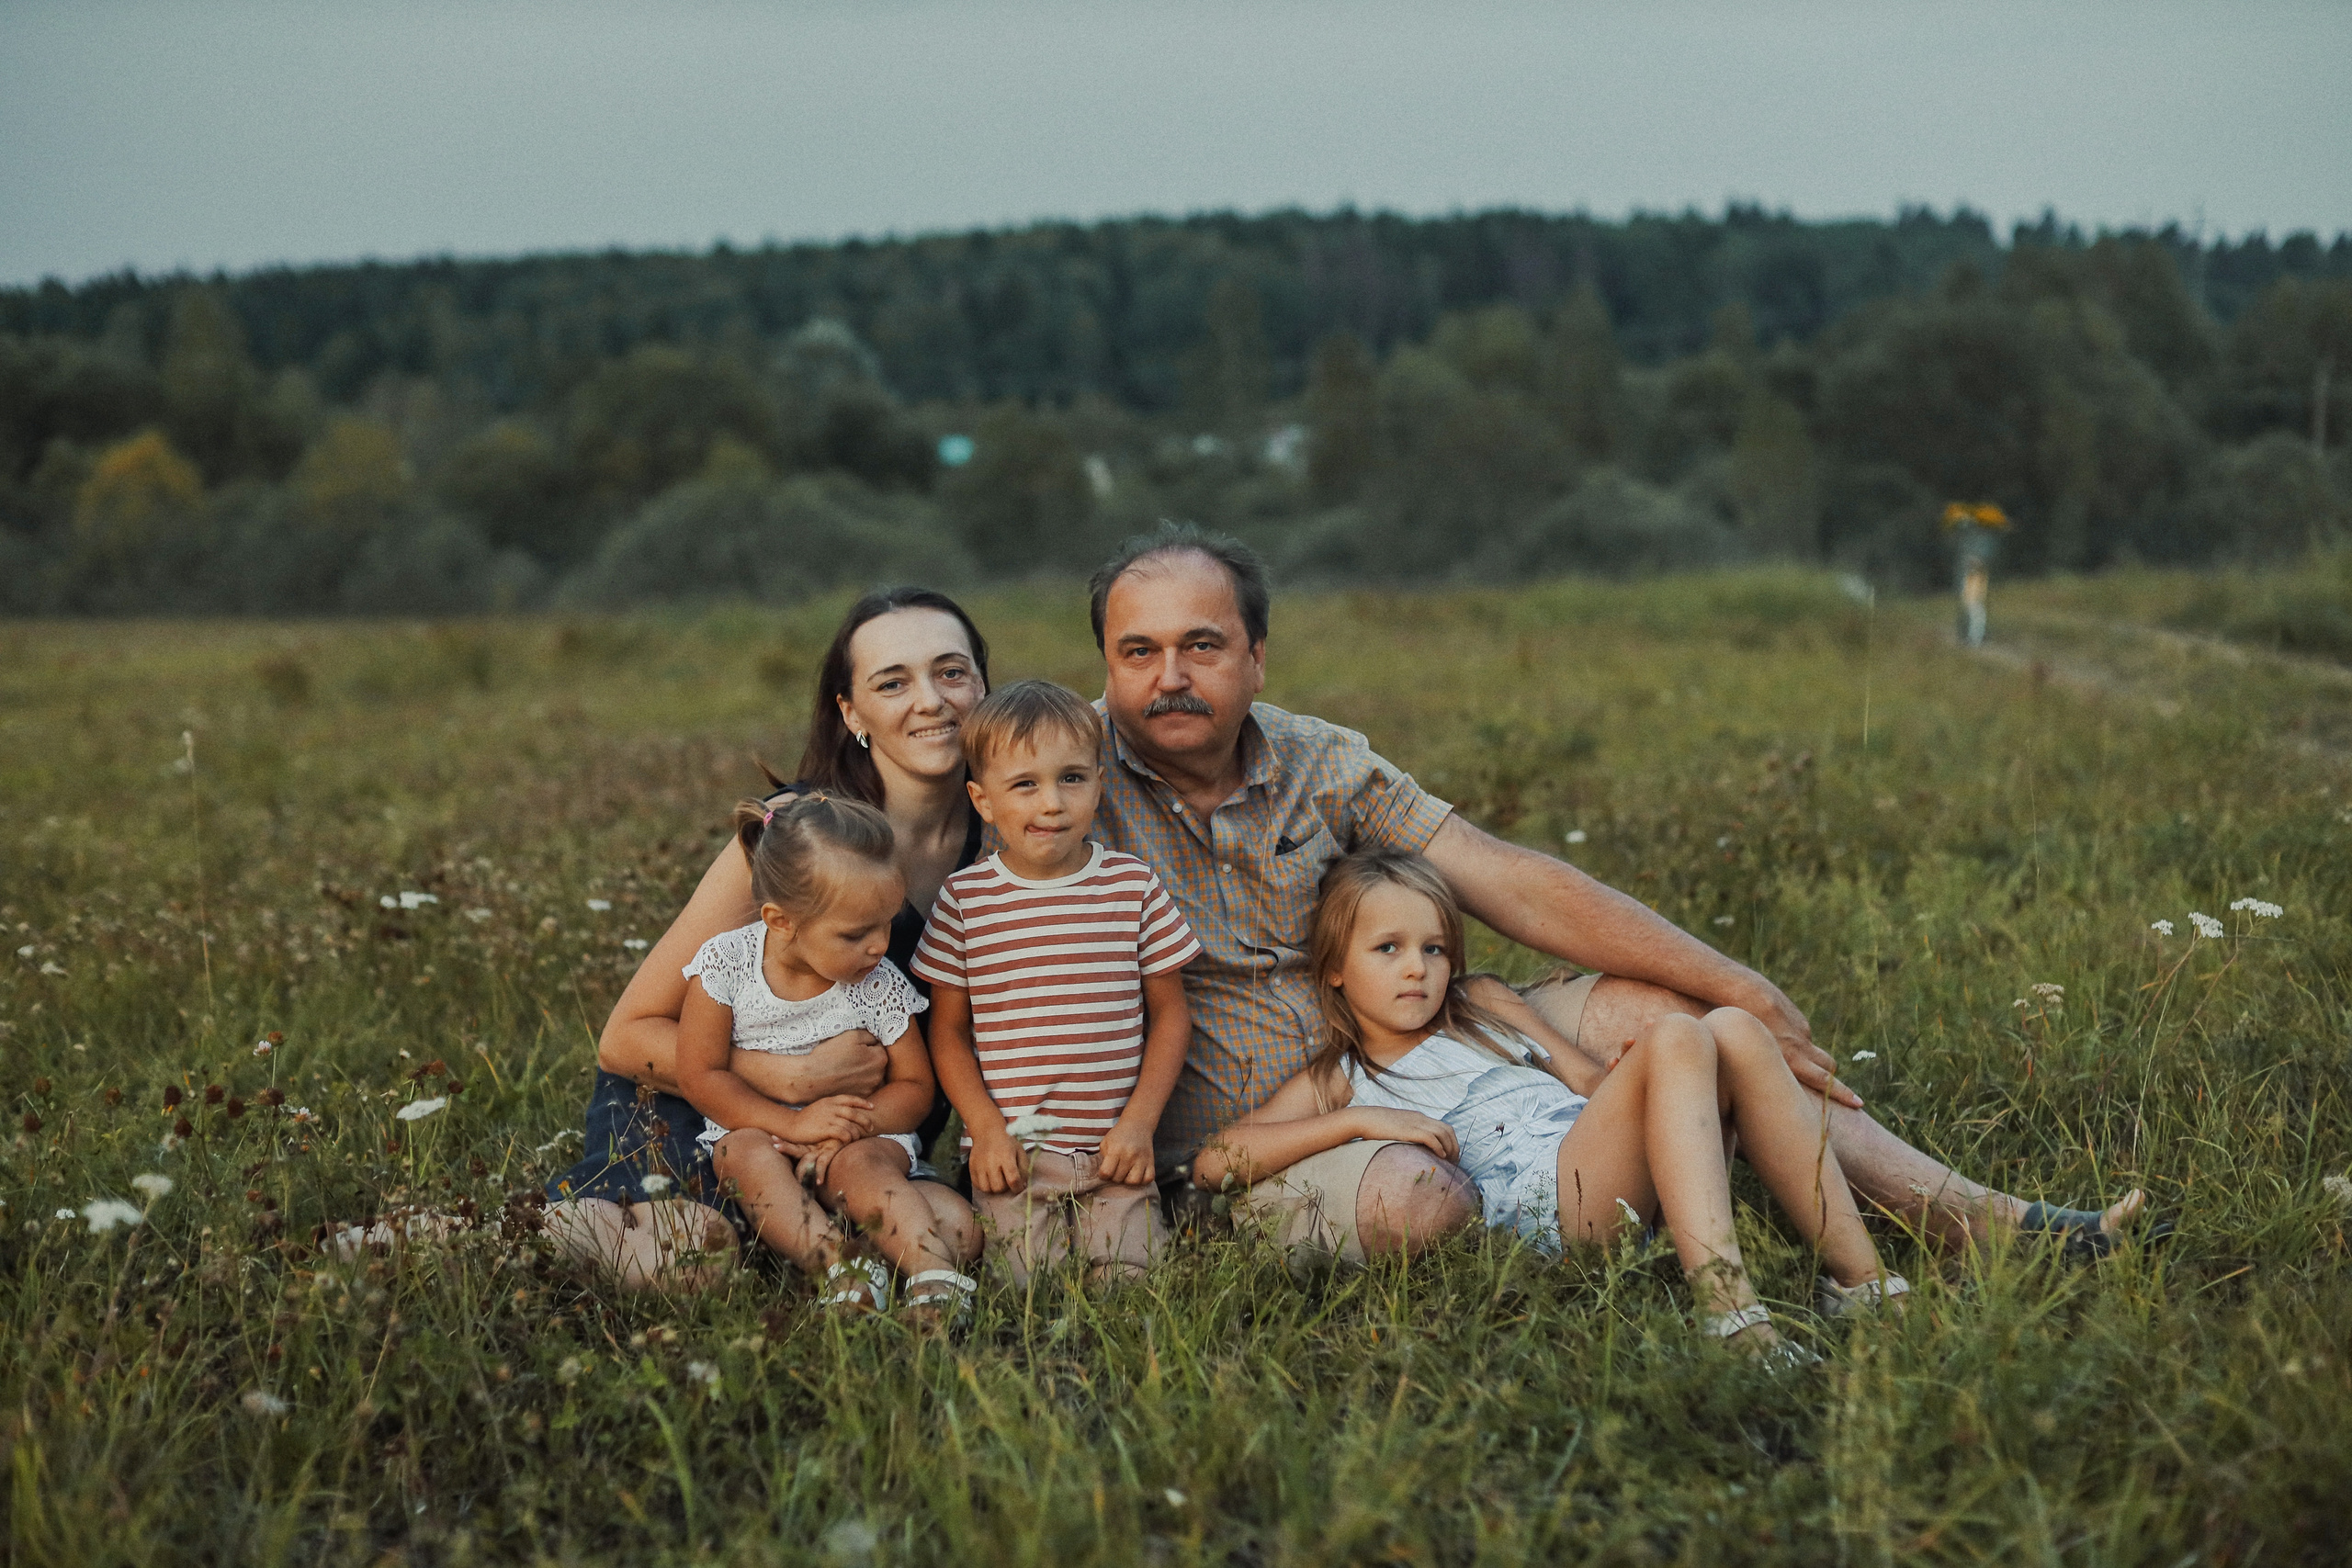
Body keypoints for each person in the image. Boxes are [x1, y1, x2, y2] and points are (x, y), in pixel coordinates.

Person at [1083, 521, 2146, 1269]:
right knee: (1416, 1204)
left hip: (1412, 1038)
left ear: (1256, 660)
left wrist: (1736, 982)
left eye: (1201, 645)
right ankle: (1627, 1206)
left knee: (1667, 1012)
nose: (1171, 676)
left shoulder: (1320, 760)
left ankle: (1972, 1221)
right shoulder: (1059, 783)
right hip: (1265, 1134)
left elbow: (1508, 879)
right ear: (1106, 665)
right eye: (1140, 652)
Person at [1195, 851, 1905, 1356]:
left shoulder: (1482, 1004)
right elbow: (1214, 1161)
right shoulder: (1343, 1076)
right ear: (1335, 970)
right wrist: (1358, 1120)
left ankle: (1863, 1282)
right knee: (1681, 1034)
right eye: (1389, 948)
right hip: (1548, 1216)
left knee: (1734, 1030)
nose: (1418, 967)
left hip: (1602, 1164)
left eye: (1435, 948)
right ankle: (1730, 1315)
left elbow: (1585, 1082)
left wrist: (1637, 1079)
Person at [543, 588, 990, 1288]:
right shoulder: (798, 836)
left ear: (985, 686)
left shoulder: (1013, 833)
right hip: (706, 1111)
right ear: (851, 713)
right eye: (893, 682)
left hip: (854, 1138)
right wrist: (790, 1080)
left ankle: (825, 1251)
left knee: (955, 1234)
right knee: (699, 1259)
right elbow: (625, 1038)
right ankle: (530, 1225)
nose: (931, 700)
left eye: (952, 671)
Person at [914, 682, 1200, 1285]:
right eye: (1025, 784)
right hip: (1014, 1158)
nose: (1052, 803)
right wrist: (985, 1130)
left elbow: (1172, 1015)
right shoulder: (965, 901)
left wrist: (1140, 1123)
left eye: (1072, 778)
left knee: (1127, 1282)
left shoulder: (1132, 886)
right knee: (1026, 1287)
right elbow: (948, 1033)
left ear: (1099, 784)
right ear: (982, 799)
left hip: (1116, 1152)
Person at [674, 794, 980, 1321]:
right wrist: (793, 1125)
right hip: (763, 1131)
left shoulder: (878, 985)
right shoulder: (727, 965)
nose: (879, 946)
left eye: (887, 923)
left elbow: (916, 1089)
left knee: (882, 1179)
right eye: (856, 933)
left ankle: (934, 1278)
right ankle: (842, 1268)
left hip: (856, 1141)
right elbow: (700, 1075)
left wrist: (847, 1129)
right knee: (738, 1154)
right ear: (781, 921)